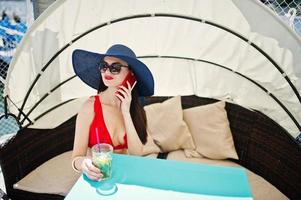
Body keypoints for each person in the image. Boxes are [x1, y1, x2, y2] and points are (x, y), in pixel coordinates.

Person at [71, 44, 155, 181]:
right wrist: (84, 163)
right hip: (99, 178)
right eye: (103, 66)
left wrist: (126, 113)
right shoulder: (89, 108)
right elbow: (76, 158)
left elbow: (136, 155)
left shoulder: (135, 109)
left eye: (115, 68)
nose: (107, 72)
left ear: (131, 74)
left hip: (127, 178)